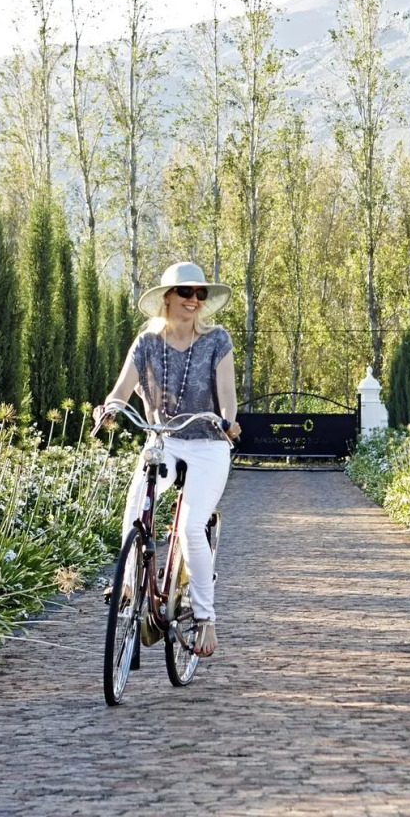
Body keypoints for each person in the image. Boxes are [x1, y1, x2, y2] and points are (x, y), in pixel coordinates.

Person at [95, 261, 240, 658]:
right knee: (136, 504)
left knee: (192, 525)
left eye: (200, 294)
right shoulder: (146, 343)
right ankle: (127, 583)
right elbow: (122, 388)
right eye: (186, 293)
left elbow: (227, 397)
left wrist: (229, 422)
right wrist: (109, 409)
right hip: (164, 441)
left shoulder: (217, 340)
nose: (194, 301)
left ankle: (206, 619)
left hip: (208, 442)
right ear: (167, 298)